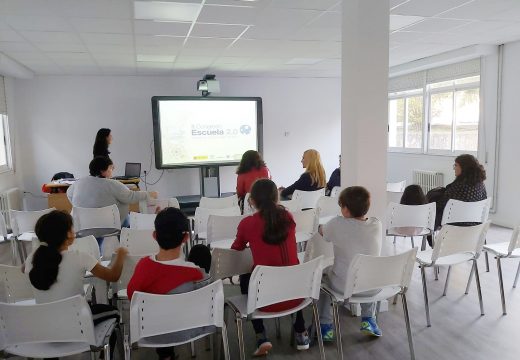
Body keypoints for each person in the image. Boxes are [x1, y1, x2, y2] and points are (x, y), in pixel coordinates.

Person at [24, 210, 127, 357]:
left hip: (44, 326)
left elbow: (23, 269)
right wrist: (121, 255)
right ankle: (104, 356)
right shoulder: (80, 257)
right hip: (76, 323)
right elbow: (113, 276)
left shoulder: (32, 259)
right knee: (114, 312)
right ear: (67, 235)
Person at [231, 179, 310, 356]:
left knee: (246, 276)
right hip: (297, 297)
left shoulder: (247, 224)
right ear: (277, 198)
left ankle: (261, 336)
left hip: (263, 302)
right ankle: (301, 333)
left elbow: (236, 250)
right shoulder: (288, 217)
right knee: (290, 273)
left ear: (252, 201)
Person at [127, 207, 212, 360]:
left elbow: (131, 296)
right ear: (186, 237)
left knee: (160, 311)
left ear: (154, 235)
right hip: (189, 329)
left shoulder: (143, 266)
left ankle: (166, 355)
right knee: (201, 252)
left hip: (152, 333)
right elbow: (207, 301)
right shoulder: (195, 273)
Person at [318, 186, 382, 341]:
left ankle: (325, 326)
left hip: (344, 287)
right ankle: (368, 320)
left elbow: (323, 232)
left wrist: (320, 226)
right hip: (373, 289)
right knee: (367, 272)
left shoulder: (336, 224)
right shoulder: (376, 224)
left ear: (346, 210)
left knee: (322, 277)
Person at [67, 156, 157, 237]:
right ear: (103, 171)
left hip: (82, 227)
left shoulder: (78, 183)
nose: (112, 171)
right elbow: (131, 197)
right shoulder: (113, 184)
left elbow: (69, 194)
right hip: (110, 227)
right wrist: (147, 194)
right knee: (128, 218)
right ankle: (125, 245)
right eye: (111, 168)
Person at [429, 154, 487, 230]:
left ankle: (431, 238)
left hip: (455, 226)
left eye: (456, 165)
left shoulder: (456, 187)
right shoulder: (481, 185)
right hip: (476, 227)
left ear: (464, 168)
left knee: (431, 213)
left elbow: (442, 205)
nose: (454, 168)